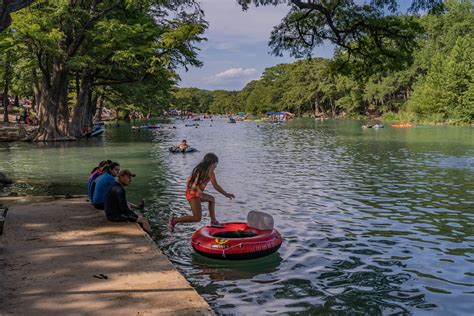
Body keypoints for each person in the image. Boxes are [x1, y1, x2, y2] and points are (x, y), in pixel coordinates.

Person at [168, 153, 235, 232]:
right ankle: (174, 220)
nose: (216, 167)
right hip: (192, 195)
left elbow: (191, 181)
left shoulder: (200, 168)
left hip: (194, 192)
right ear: (212, 164)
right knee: (197, 218)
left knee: (212, 199)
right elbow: (216, 186)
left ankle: (213, 222)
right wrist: (226, 194)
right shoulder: (210, 173)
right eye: (216, 164)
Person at [104, 170, 151, 234]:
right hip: (114, 216)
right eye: (128, 177)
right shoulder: (120, 190)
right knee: (144, 220)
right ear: (121, 177)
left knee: (138, 215)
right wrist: (136, 216)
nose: (131, 180)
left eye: (131, 177)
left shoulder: (114, 185)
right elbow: (124, 210)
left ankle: (145, 229)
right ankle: (150, 235)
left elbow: (123, 203)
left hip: (110, 213)